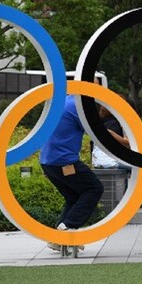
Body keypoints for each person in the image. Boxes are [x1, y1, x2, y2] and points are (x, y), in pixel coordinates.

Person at [40, 94, 104, 251]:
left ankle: (57, 238)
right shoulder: (78, 106)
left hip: (48, 161)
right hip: (64, 162)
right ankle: (67, 227)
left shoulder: (63, 101)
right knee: (94, 188)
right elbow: (97, 132)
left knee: (74, 197)